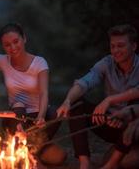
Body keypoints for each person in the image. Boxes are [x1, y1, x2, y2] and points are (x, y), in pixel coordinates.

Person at [0, 23, 66, 166]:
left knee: (54, 113)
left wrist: (41, 116)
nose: (13, 47)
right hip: (16, 118)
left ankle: (32, 151)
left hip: (37, 119)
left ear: (24, 39)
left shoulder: (39, 63)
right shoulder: (2, 60)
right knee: (18, 105)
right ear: (3, 46)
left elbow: (44, 92)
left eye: (16, 41)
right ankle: (30, 151)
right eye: (7, 45)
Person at [57, 24, 139, 169]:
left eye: (120, 46)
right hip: (110, 122)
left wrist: (110, 100)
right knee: (77, 105)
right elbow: (84, 83)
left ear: (134, 46)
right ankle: (84, 163)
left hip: (133, 125)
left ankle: (112, 164)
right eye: (113, 46)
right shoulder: (107, 63)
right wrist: (67, 101)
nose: (116, 51)